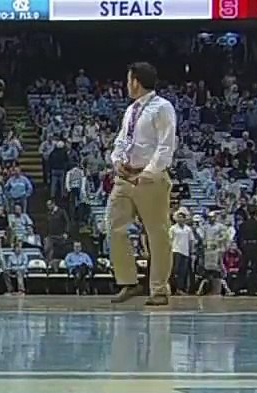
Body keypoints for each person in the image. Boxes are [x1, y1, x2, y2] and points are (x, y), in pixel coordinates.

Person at [106, 61, 177, 306]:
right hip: (125, 176)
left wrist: (148, 173)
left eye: (128, 80)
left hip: (151, 178)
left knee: (157, 234)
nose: (127, 85)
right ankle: (129, 281)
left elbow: (166, 145)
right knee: (115, 227)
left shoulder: (162, 108)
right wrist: (116, 160)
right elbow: (122, 140)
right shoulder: (131, 110)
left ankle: (158, 289)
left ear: (136, 81)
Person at [168, 210, 194, 295]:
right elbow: (170, 240)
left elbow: (191, 240)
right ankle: (173, 289)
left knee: (183, 272)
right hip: (176, 251)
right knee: (175, 271)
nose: (180, 219)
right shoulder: (173, 228)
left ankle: (180, 288)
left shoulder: (188, 229)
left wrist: (191, 251)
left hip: (185, 252)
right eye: (179, 217)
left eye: (182, 217)